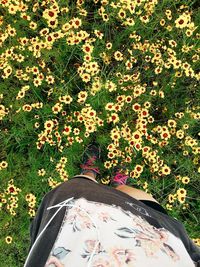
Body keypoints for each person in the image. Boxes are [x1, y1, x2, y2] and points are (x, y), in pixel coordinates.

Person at [24, 143, 200, 267]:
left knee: (78, 188)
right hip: (160, 241)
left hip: (74, 229)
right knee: (140, 202)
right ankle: (119, 184)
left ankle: (89, 172)